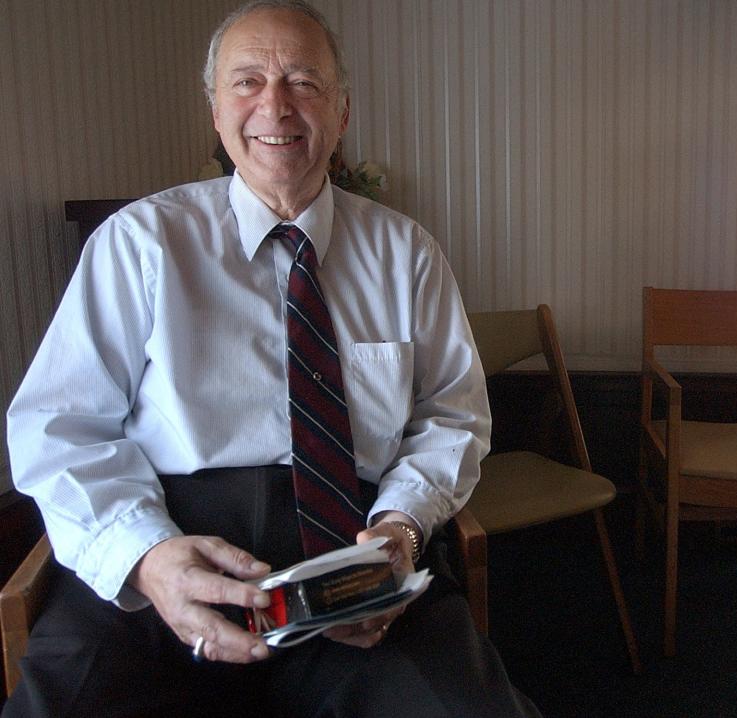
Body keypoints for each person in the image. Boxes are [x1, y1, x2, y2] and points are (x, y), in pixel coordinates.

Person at [4, 2, 540, 716]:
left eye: (303, 82)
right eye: (247, 80)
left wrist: (401, 531)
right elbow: (56, 426)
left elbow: (452, 418)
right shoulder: (139, 243)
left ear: (342, 112)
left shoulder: (407, 253)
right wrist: (148, 560)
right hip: (168, 554)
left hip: (352, 555)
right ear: (216, 109)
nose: (275, 105)